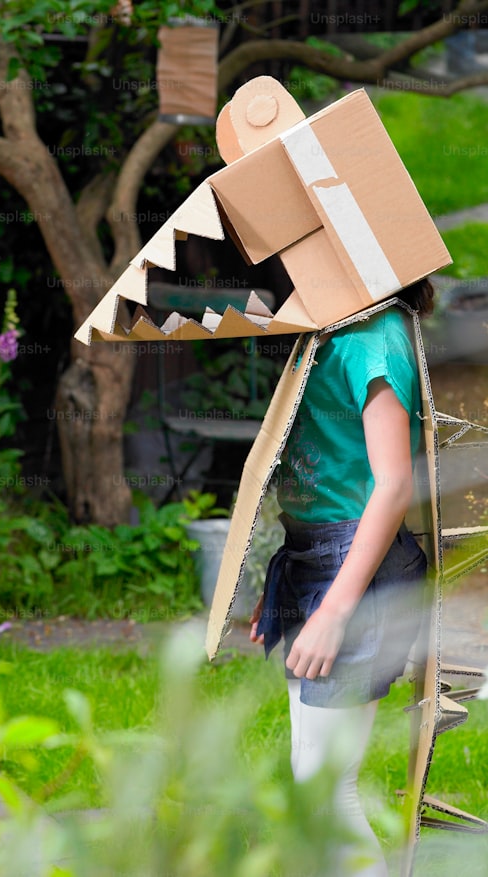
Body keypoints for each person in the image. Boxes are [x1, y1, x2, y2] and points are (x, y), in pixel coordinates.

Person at [250, 279, 434, 876]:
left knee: (330, 791)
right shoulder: (326, 332)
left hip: (358, 572)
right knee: (313, 782)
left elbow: (394, 486)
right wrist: (287, 583)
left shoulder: (372, 340)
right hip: (315, 557)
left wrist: (333, 610)